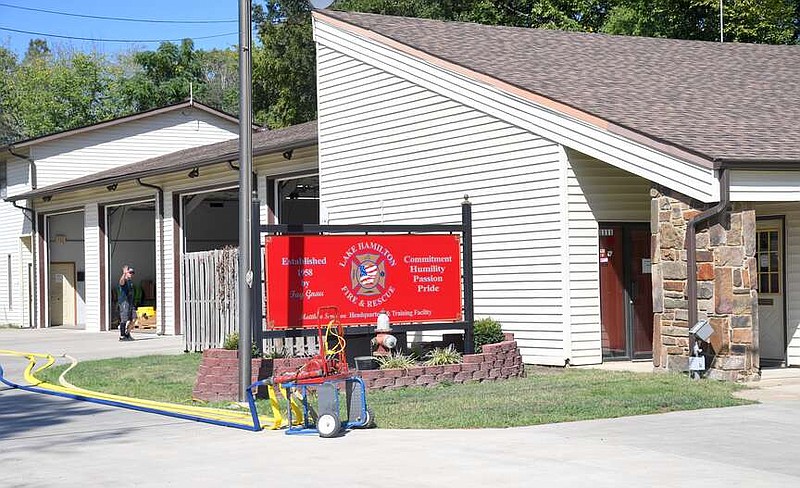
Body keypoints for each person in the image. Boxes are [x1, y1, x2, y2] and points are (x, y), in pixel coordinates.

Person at [118, 264, 136, 341]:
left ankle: (127, 334)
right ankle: (122, 336)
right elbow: (121, 282)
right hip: (124, 302)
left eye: (132, 273)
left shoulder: (130, 282)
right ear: (126, 273)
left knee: (134, 318)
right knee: (124, 319)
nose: (131, 274)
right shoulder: (124, 281)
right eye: (130, 272)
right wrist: (124, 274)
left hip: (131, 302)